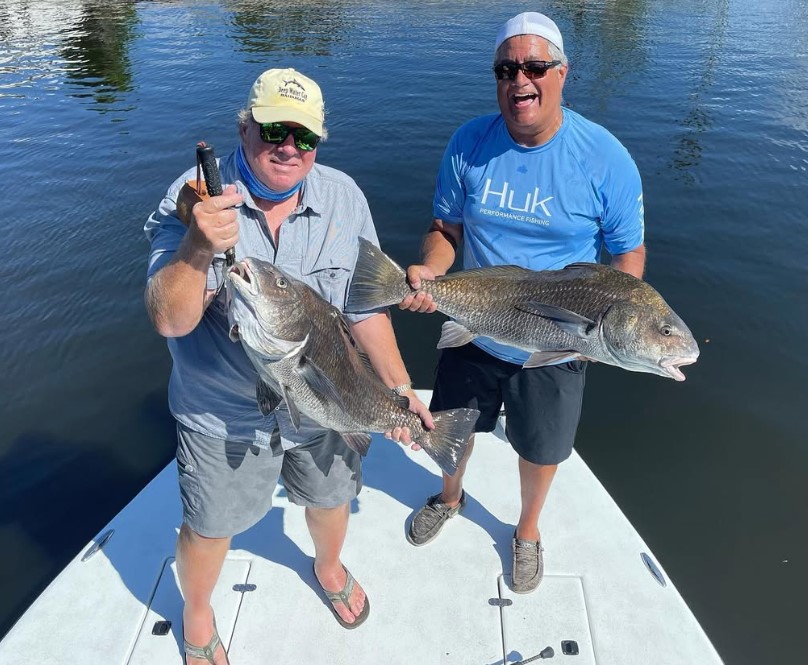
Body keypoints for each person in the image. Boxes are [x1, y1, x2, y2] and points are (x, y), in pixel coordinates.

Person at [144, 68, 431, 664]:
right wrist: (197, 245)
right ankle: (197, 611)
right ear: (245, 127)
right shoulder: (194, 196)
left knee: (331, 499)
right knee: (210, 526)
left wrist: (399, 389)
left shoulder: (344, 199)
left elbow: (365, 310)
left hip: (323, 399)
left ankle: (327, 567)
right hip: (222, 413)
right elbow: (169, 320)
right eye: (274, 129)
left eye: (305, 137)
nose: (288, 148)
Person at [399, 12, 646, 594]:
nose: (521, 81)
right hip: (478, 319)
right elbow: (445, 228)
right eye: (507, 69)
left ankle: (527, 531)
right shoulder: (470, 144)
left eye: (535, 67)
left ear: (562, 72)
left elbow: (628, 258)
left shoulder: (605, 158)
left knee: (542, 447)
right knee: (451, 430)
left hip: (558, 345)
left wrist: (604, 330)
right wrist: (430, 271)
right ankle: (450, 497)